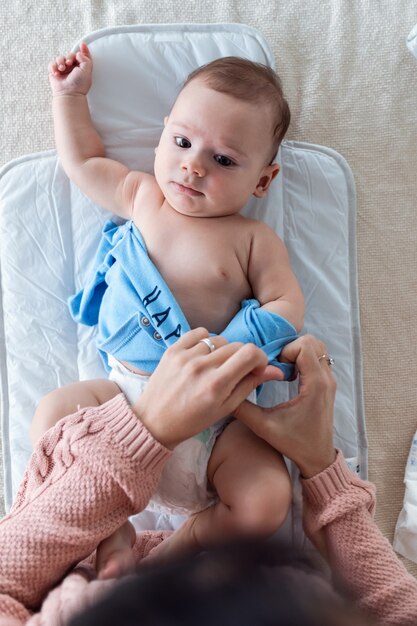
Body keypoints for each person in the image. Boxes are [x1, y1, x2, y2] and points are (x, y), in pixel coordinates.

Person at [31, 43, 304, 573]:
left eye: (223, 159)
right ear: (162, 136)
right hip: (125, 401)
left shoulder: (252, 239)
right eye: (181, 141)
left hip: (212, 422)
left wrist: (235, 344)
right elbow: (83, 161)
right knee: (52, 417)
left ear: (263, 181)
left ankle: (178, 551)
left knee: (268, 496)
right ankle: (113, 534)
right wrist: (70, 97)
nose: (193, 165)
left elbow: (286, 302)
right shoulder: (143, 198)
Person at [1, 332, 417, 626]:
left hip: (71, 554)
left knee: (57, 416)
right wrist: (321, 466)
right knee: (265, 501)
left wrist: (143, 433)